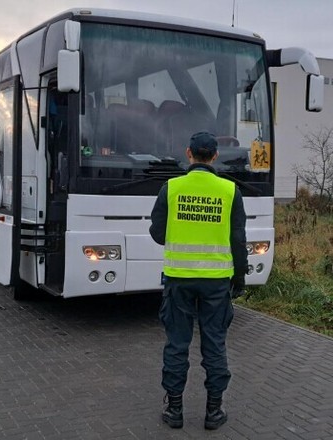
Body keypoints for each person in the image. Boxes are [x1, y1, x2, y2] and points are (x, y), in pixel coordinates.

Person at [149, 131, 248, 430]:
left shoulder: (172, 188)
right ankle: (214, 411)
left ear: (188, 153)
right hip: (217, 282)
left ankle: (175, 410)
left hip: (178, 279)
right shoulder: (230, 191)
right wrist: (240, 278)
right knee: (215, 345)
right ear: (216, 156)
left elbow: (157, 233)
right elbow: (238, 240)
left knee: (177, 344)